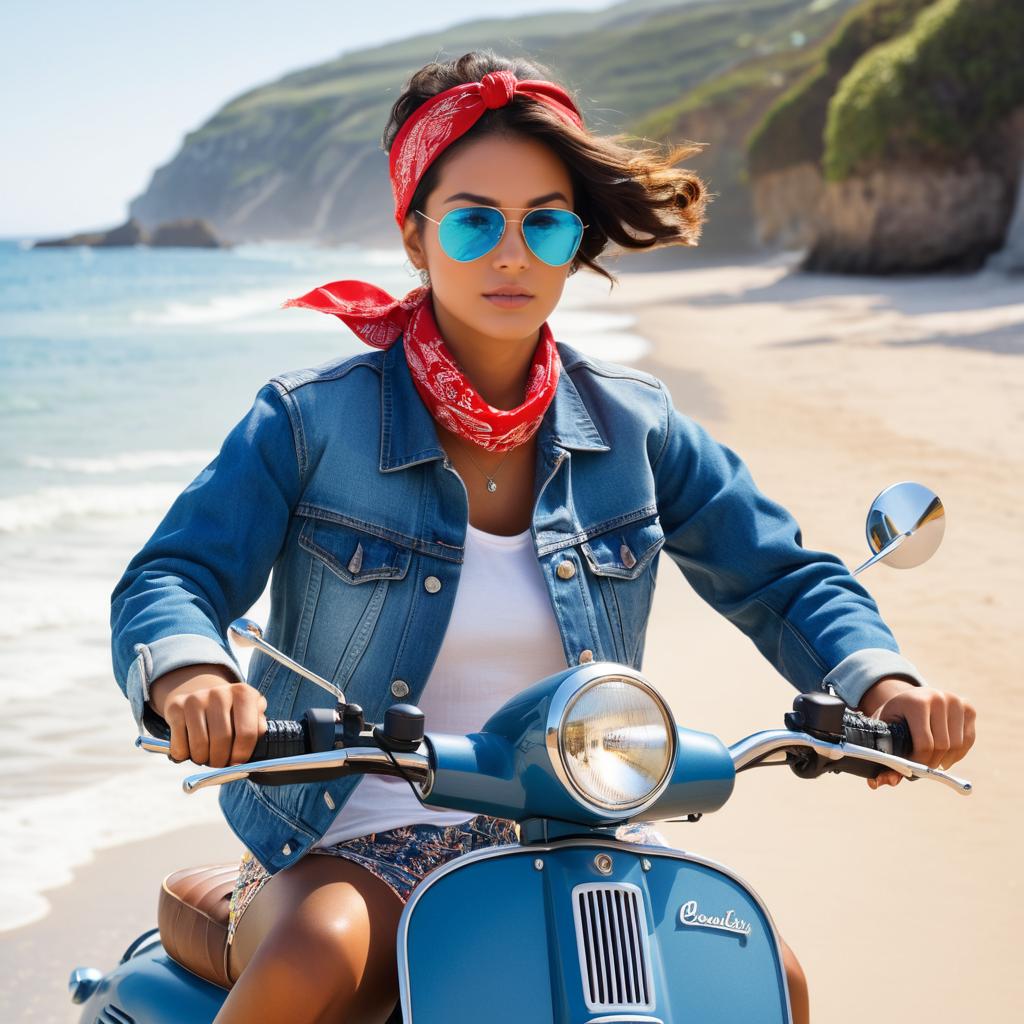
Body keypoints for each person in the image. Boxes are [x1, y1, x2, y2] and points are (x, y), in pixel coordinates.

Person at [109, 50, 975, 1024]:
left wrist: (881, 681)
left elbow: (782, 573)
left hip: (574, 828)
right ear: (416, 234)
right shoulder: (309, 422)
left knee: (770, 978)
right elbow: (174, 575)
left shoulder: (634, 427)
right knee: (321, 956)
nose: (510, 253)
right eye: (476, 219)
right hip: (351, 839)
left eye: (545, 221)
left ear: (574, 239)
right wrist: (190, 675)